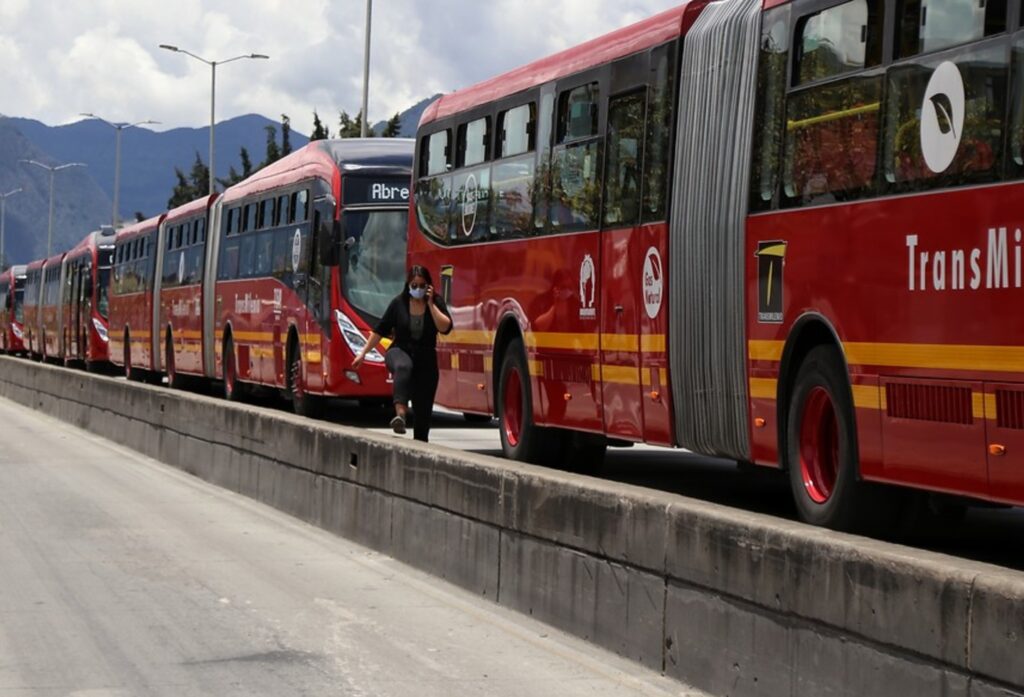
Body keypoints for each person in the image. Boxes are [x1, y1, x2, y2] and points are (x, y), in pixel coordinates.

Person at [351, 265, 453, 442]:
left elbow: (446, 327)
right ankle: (401, 414)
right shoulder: (398, 303)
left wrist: (430, 304)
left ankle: (420, 447)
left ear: (429, 286)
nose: (418, 289)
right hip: (399, 349)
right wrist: (362, 353)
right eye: (414, 286)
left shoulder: (435, 302)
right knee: (403, 367)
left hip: (426, 356)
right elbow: (379, 330)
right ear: (408, 286)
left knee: (423, 411)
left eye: (422, 286)